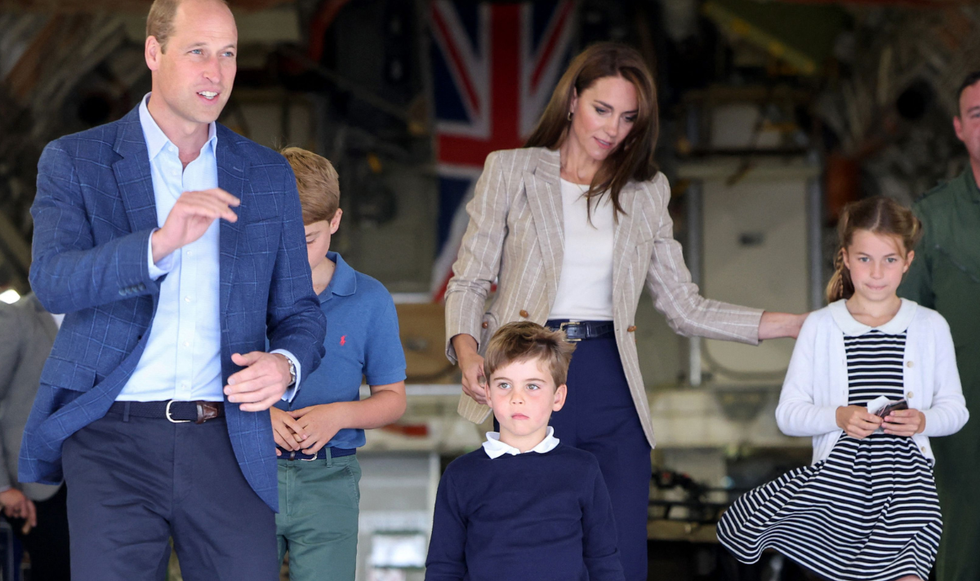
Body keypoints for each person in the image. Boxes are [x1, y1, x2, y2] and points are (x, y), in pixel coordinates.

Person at [443, 42, 806, 580]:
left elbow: (684, 306)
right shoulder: (512, 171)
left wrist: (799, 324)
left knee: (619, 556)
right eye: (602, 109)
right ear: (572, 100)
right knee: (537, 547)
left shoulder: (645, 191)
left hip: (614, 382)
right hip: (530, 375)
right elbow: (470, 279)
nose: (613, 128)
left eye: (629, 117)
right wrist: (467, 350)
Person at [18, 0, 326, 579]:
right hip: (112, 437)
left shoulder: (265, 175)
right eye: (198, 51)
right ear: (153, 52)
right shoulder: (76, 160)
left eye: (228, 53)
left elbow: (299, 312)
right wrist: (156, 245)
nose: (216, 71)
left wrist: (285, 365)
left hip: (229, 441)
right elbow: (53, 282)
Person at [717, 196, 969, 581]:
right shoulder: (821, 326)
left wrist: (922, 420)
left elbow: (955, 409)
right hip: (839, 487)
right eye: (865, 258)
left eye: (889, 259)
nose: (877, 272)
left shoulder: (930, 325)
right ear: (846, 258)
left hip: (909, 483)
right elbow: (789, 414)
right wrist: (838, 416)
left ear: (908, 261)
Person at [271, 147, 407, 581]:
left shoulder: (370, 299)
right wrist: (256, 417)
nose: (294, 251)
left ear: (335, 221)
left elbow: (392, 399)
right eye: (282, 236)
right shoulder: (243, 293)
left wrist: (340, 415)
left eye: (307, 239)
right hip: (247, 469)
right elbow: (208, 379)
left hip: (330, 476)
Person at [425, 321, 625, 581]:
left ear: (558, 397)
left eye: (532, 386)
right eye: (504, 385)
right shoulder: (460, 475)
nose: (516, 398)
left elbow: (603, 560)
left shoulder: (583, 469)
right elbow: (444, 567)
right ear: (487, 392)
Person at [898, 71, 980, 581]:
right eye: (978, 116)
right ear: (959, 128)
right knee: (961, 560)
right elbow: (903, 334)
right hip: (961, 440)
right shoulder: (930, 220)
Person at [0, 293, 70, 580]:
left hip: (92, 472)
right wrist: (2, 487)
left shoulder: (104, 316)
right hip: (35, 484)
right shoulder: (16, 317)